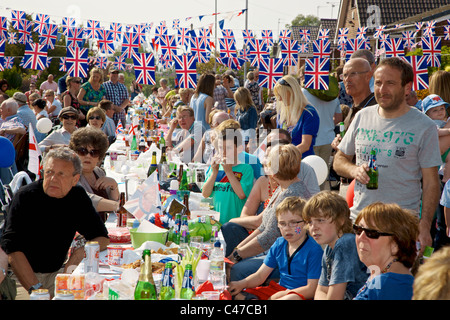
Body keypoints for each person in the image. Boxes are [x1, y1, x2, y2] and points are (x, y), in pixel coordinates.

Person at [333, 57, 442, 256]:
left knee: (393, 285)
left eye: (390, 83)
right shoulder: (362, 116)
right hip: (360, 224)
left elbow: (431, 182)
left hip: (399, 227)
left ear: (407, 87)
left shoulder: (424, 126)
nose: (382, 90)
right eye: (378, 83)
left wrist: (425, 224)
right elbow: (339, 160)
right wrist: (354, 170)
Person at [0, 147, 109, 298]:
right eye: (49, 172)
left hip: (58, 272)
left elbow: (101, 237)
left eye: (61, 174)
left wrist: (80, 253)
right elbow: (12, 248)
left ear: (75, 179)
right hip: (22, 276)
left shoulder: (77, 196)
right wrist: (38, 290)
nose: (53, 179)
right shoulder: (26, 197)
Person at [226, 144, 311, 282]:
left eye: (268, 160)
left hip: (288, 259)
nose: (264, 161)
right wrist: (235, 252)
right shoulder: (283, 188)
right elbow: (264, 226)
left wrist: (236, 257)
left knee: (237, 270)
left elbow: (268, 237)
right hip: (275, 251)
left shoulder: (291, 194)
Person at [228, 197, 323, 300]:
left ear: (305, 222)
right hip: (279, 289)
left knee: (290, 298)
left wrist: (284, 295)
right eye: (282, 223)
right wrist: (241, 284)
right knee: (237, 294)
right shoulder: (279, 244)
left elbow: (311, 289)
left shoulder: (314, 250)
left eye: (293, 223)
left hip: (300, 294)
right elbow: (260, 276)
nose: (287, 228)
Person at [302, 191, 368, 300]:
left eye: (320, 220)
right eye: (310, 222)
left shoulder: (346, 243)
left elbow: (334, 297)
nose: (313, 227)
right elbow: (321, 290)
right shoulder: (329, 248)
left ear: (341, 220)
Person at [353, 202, 419, 300]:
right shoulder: (384, 276)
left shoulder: (389, 284)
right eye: (358, 229)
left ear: (395, 245)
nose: (361, 237)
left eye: (371, 233)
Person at [201, 126, 254, 224]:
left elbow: (242, 195)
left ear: (238, 149)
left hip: (235, 223)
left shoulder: (246, 169)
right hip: (216, 223)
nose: (224, 152)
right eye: (221, 148)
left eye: (228, 148)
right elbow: (205, 193)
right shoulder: (215, 168)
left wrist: (229, 172)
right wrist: (214, 173)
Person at [69, 126, 120, 220]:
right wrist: (120, 206)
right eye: (82, 151)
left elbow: (112, 202)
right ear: (74, 153)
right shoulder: (71, 175)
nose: (88, 156)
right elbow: (86, 200)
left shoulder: (99, 171)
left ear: (99, 157)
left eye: (94, 152)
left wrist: (114, 185)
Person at [301, 81, 342, 186]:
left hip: (308, 139)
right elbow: (339, 118)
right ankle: (321, 200)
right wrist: (327, 123)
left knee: (307, 176)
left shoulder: (303, 93)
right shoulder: (332, 95)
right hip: (328, 138)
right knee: (322, 175)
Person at [273, 75, 320, 157]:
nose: (279, 99)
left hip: (302, 161)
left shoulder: (309, 113)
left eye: (282, 95)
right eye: (278, 96)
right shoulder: (282, 113)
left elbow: (305, 145)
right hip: (284, 162)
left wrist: (284, 156)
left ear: (292, 92)